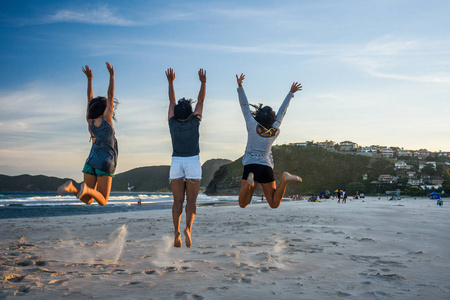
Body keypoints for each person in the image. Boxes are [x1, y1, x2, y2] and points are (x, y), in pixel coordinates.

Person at [236, 73, 302, 209]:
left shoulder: (251, 125)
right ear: (273, 118)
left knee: (243, 203)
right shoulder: (275, 130)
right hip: (266, 167)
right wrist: (291, 93)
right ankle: (284, 179)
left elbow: (244, 106)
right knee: (273, 203)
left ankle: (249, 183)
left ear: (258, 115)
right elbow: (283, 111)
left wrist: (240, 86)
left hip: (250, 167)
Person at [57, 62, 118, 206]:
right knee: (103, 200)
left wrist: (89, 79)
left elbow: (89, 99)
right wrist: (112, 76)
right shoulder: (106, 120)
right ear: (105, 109)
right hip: (105, 161)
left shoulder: (89, 121)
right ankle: (82, 188)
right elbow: (110, 95)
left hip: (91, 160)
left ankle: (72, 188)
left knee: (88, 199)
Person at [166, 68, 206, 248]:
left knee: (177, 201)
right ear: (190, 112)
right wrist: (203, 82)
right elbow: (201, 100)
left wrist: (170, 82)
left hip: (176, 162)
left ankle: (176, 231)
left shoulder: (172, 122)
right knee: (191, 201)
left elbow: (171, 101)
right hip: (192, 162)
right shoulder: (195, 121)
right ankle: (188, 229)